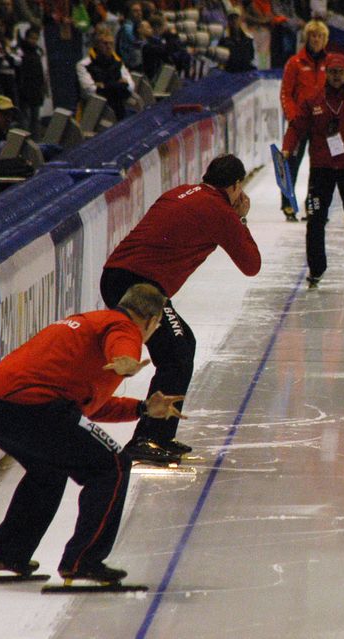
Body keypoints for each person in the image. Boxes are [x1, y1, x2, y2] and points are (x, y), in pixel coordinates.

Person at [0, 283, 183, 584]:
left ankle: (7, 554)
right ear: (150, 320)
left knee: (48, 470)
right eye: (157, 325)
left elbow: (89, 410)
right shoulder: (123, 327)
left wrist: (143, 409)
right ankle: (84, 561)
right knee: (113, 465)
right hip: (34, 407)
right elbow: (122, 342)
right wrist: (126, 361)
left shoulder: (92, 323)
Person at [100, 154, 261, 464]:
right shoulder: (219, 210)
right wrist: (240, 218)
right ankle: (149, 437)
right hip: (139, 284)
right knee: (177, 350)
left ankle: (158, 435)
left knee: (180, 346)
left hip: (121, 275)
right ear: (237, 185)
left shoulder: (181, 192)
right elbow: (251, 265)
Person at [282, 52, 344, 292]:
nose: (336, 77)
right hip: (321, 170)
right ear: (326, 72)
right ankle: (316, 270)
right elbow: (297, 126)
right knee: (315, 219)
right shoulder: (313, 101)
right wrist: (287, 148)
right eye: (332, 72)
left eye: (340, 72)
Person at [278, 18, 329, 222]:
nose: (316, 40)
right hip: (299, 122)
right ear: (307, 38)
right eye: (313, 36)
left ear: (325, 39)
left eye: (320, 36)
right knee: (291, 163)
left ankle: (312, 206)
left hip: (321, 123)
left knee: (320, 167)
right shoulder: (295, 63)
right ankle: (288, 205)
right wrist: (293, 116)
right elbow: (286, 93)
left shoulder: (330, 63)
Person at [76, 26, 136, 121]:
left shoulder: (118, 62)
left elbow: (130, 87)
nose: (108, 46)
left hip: (118, 110)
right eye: (105, 43)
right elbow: (91, 92)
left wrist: (103, 86)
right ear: (96, 44)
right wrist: (119, 85)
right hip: (94, 114)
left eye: (111, 43)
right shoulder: (83, 65)